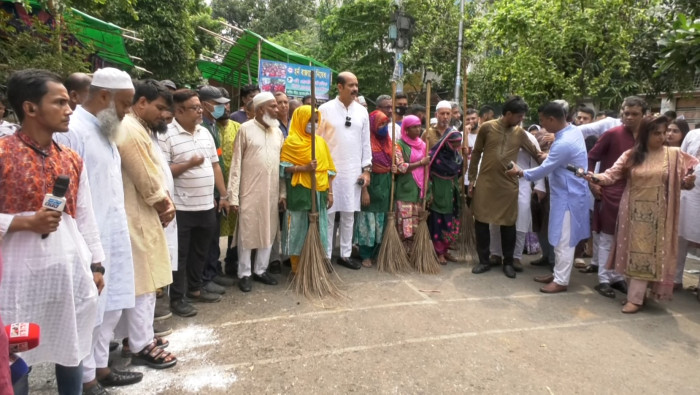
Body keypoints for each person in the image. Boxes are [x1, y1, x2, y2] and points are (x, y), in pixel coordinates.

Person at [0, 69, 104, 395]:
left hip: (67, 270)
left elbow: (85, 215)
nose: (69, 108)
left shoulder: (70, 158)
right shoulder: (3, 154)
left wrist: (96, 264)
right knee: (15, 352)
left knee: (69, 344)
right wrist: (23, 222)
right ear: (30, 108)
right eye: (59, 102)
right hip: (16, 276)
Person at [53, 68, 142, 393]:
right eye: (125, 103)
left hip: (112, 235)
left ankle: (101, 367)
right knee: (89, 310)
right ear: (104, 97)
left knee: (111, 305)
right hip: (87, 240)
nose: (127, 111)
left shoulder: (106, 129)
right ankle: (86, 378)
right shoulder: (72, 131)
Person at [585, 117, 697, 313]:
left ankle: (635, 298)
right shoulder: (631, 155)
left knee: (648, 255)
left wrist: (688, 182)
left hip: (659, 214)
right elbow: (611, 175)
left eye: (664, 133)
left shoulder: (673, 155)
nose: (662, 137)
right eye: (657, 133)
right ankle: (637, 295)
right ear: (645, 134)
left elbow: (685, 178)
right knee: (631, 253)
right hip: (632, 212)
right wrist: (594, 177)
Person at [116, 79, 178, 367]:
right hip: (140, 214)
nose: (163, 115)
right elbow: (143, 174)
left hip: (141, 212)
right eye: (160, 108)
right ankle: (142, 344)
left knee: (143, 280)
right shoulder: (130, 128)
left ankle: (136, 337)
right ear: (141, 103)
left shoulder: (139, 127)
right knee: (145, 281)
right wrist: (162, 203)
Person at [507, 102, 591, 293]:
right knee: (559, 237)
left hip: (569, 197)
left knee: (564, 240)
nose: (542, 125)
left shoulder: (564, 142)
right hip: (565, 194)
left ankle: (561, 280)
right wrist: (548, 155)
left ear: (552, 119)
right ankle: (558, 273)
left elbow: (544, 169)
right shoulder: (572, 132)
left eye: (543, 121)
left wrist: (521, 173)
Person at [158, 89, 229, 310]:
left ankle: (195, 289)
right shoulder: (166, 135)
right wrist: (189, 164)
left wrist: (224, 195)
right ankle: (178, 299)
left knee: (201, 250)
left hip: (206, 205)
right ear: (178, 110)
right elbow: (162, 171)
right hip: (181, 207)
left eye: (200, 107)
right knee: (180, 254)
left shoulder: (205, 132)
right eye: (195, 108)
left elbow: (215, 166)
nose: (200, 111)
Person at [468, 96, 542, 279]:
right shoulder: (487, 127)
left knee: (508, 223)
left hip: (508, 185)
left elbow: (536, 153)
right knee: (482, 222)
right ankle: (484, 260)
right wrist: (472, 180)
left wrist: (553, 154)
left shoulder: (520, 133)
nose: (521, 120)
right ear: (508, 114)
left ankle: (508, 262)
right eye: (519, 116)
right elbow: (476, 153)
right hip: (485, 182)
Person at [584, 96, 647, 297]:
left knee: (626, 238)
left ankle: (617, 277)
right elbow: (591, 158)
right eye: (625, 113)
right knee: (607, 237)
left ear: (643, 115)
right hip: (610, 191)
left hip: (639, 194)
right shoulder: (612, 133)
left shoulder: (647, 137)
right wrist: (592, 182)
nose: (628, 117)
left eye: (634, 114)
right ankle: (603, 278)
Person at [227, 91, 285, 292]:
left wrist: (282, 193)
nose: (277, 110)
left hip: (272, 192)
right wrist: (232, 196)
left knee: (268, 231)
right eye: (273, 106)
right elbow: (236, 165)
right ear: (261, 109)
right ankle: (244, 273)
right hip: (249, 191)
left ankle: (261, 270)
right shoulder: (245, 129)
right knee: (248, 232)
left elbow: (282, 168)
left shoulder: (278, 132)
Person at [317, 72, 371, 269]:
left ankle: (345, 254)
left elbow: (366, 143)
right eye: (351, 85)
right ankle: (326, 255)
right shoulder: (324, 109)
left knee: (349, 213)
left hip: (353, 169)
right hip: (330, 170)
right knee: (329, 214)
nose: (355, 89)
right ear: (339, 87)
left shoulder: (362, 112)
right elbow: (317, 140)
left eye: (356, 85)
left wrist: (366, 170)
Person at [280, 105, 336, 272]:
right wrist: (303, 168)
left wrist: (330, 192)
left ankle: (315, 263)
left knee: (318, 227)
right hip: (300, 191)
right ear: (300, 120)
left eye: (316, 121)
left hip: (320, 191)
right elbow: (283, 167)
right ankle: (297, 267)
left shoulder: (320, 142)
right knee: (297, 227)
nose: (314, 124)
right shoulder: (291, 142)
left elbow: (328, 169)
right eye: (310, 120)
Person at [490, 126, 545, 272]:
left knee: (521, 217)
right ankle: (495, 253)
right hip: (499, 183)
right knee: (495, 218)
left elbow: (537, 161)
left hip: (523, 182)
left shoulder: (529, 138)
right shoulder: (497, 134)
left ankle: (516, 256)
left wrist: (540, 185)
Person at [198, 85, 235, 295]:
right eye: (218, 104)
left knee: (213, 237)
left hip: (216, 192)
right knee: (206, 238)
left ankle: (212, 272)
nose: (223, 108)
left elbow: (217, 160)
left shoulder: (212, 125)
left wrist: (222, 194)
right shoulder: (202, 126)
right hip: (206, 194)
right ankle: (204, 278)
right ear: (205, 104)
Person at [354, 110, 393, 267]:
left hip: (385, 183)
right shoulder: (366, 143)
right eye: (380, 124)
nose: (383, 127)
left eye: (385, 123)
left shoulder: (389, 141)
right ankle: (365, 254)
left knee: (381, 221)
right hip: (371, 182)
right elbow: (362, 168)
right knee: (367, 221)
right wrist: (364, 190)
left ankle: (377, 252)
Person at [393, 115, 429, 255]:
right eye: (414, 127)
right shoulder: (399, 145)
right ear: (406, 129)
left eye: (419, 126)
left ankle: (415, 253)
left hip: (419, 190)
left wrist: (428, 189)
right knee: (405, 223)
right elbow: (400, 167)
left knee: (417, 222)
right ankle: (402, 253)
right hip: (405, 189)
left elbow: (428, 169)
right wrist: (420, 163)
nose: (418, 129)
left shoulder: (423, 145)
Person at [216, 88, 242, 278]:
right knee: (213, 229)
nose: (225, 107)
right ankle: (213, 266)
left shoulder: (238, 127)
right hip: (214, 189)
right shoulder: (207, 127)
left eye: (227, 104)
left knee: (235, 226)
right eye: (220, 104)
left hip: (234, 187)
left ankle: (231, 262)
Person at [427, 128, 463, 264]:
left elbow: (459, 171)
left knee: (450, 220)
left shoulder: (457, 157)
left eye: (458, 144)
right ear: (447, 143)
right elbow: (427, 174)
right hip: (438, 190)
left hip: (451, 191)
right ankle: (439, 252)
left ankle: (446, 250)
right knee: (438, 221)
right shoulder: (434, 156)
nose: (456, 147)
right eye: (453, 144)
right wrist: (429, 193)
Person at [677, 128, 700, 291]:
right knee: (680, 238)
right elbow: (682, 162)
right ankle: (675, 279)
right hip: (689, 196)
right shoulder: (693, 135)